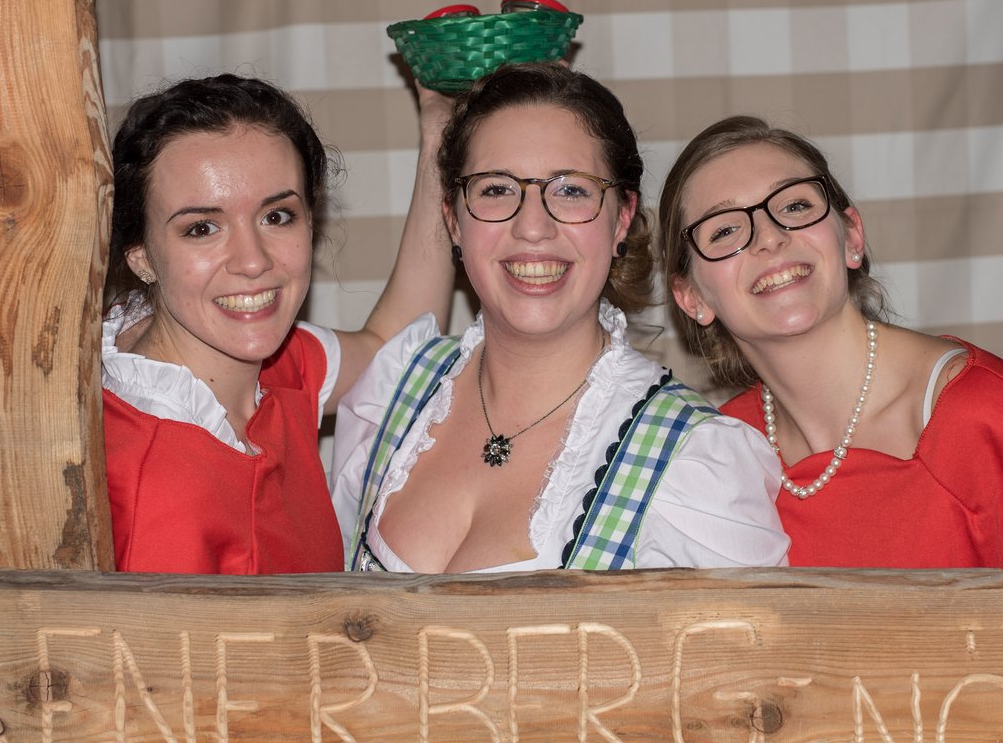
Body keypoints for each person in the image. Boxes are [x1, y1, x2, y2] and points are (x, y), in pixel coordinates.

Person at [330, 63, 790, 573]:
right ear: (453, 221)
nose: (533, 227)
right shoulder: (392, 389)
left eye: (571, 190)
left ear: (621, 218)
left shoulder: (694, 464)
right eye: (496, 189)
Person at [658, 115, 1003, 568]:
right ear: (691, 297)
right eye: (724, 230)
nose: (770, 238)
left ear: (852, 236)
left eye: (794, 206)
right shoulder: (713, 457)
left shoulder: (975, 414)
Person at [101, 73, 453, 574]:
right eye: (202, 228)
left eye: (277, 217)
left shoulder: (272, 363)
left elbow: (391, 348)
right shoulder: (148, 482)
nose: (253, 261)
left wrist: (440, 134)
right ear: (140, 256)